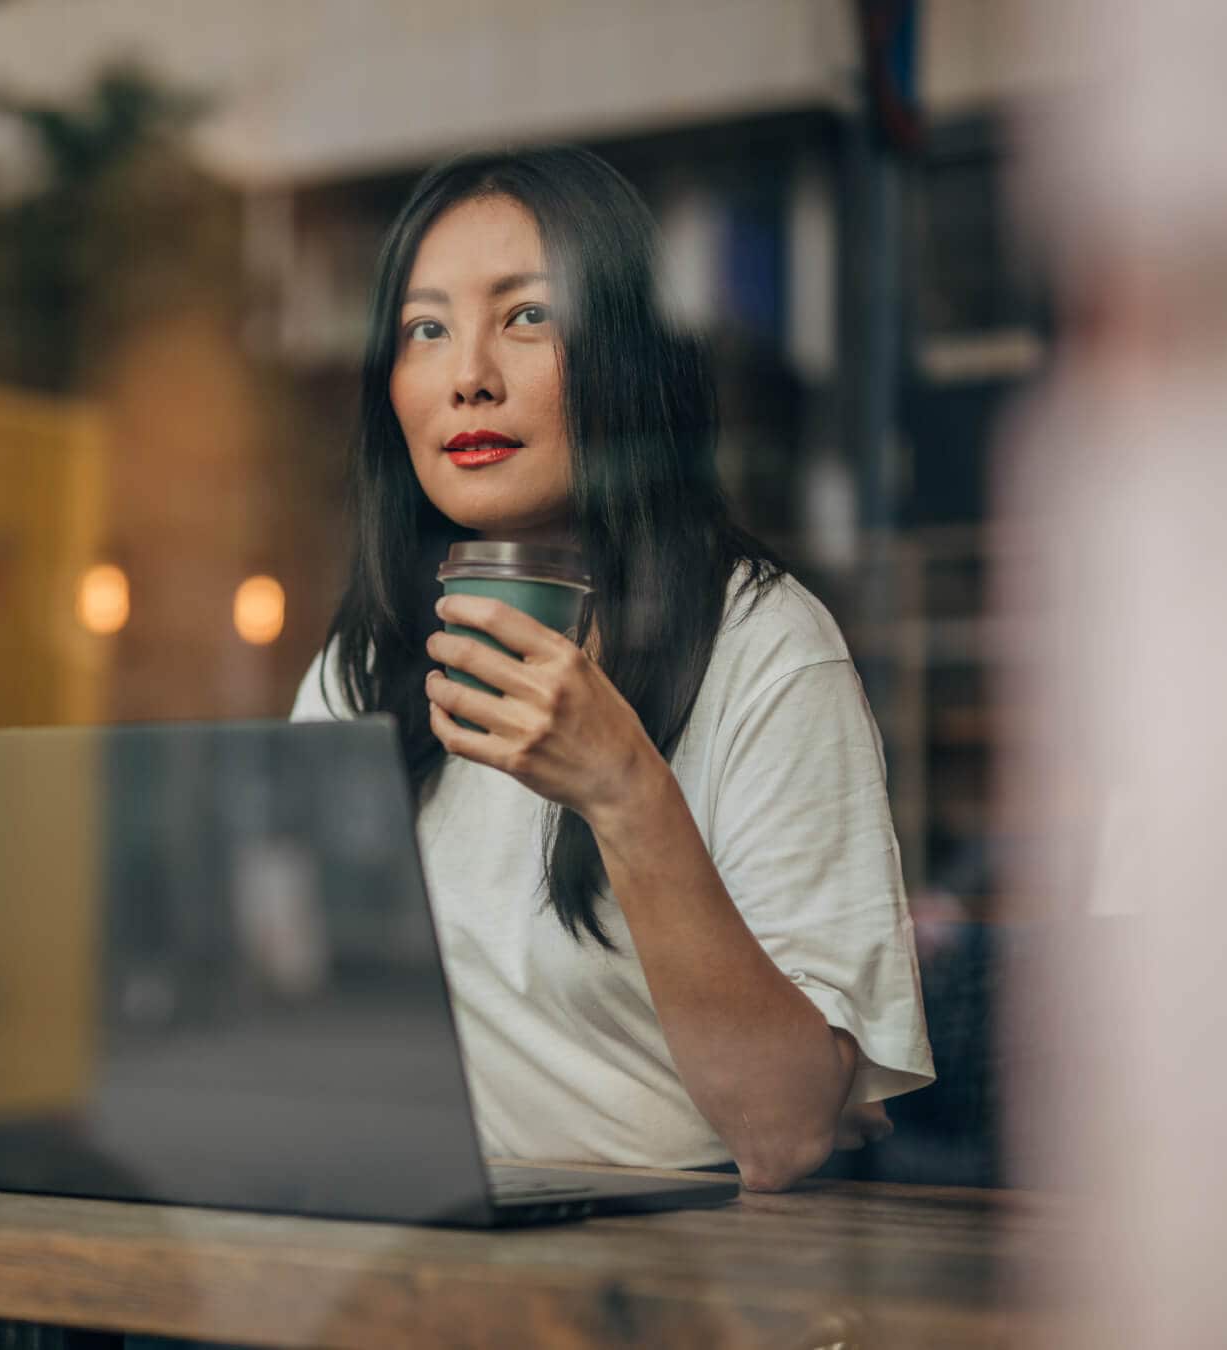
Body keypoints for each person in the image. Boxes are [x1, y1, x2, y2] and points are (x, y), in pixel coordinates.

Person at [290, 145, 932, 1191]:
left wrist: (623, 790)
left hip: (678, 1268)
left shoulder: (764, 648)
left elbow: (783, 1132)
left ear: (624, 352)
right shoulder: (359, 669)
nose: (469, 377)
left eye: (527, 315)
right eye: (426, 329)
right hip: (413, 1247)